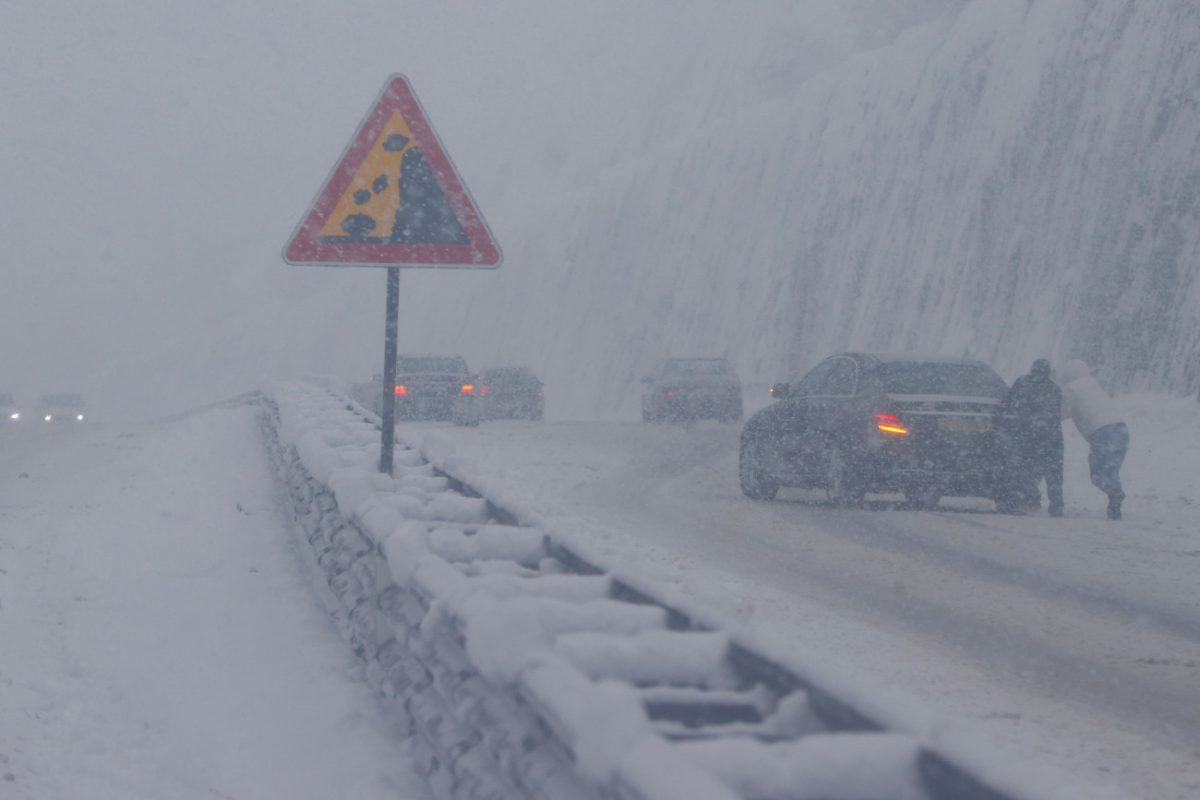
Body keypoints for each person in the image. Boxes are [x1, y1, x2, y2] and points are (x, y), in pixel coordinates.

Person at [1058, 359, 1128, 519]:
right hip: (1121, 429)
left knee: (1097, 476)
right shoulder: (1092, 384)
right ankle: (1114, 507)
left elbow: (1062, 412)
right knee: (1111, 471)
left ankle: (1115, 494)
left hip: (1103, 432)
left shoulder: (1071, 389)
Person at [1001, 359, 1064, 516]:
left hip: (1027, 436)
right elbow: (1056, 415)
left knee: (1023, 469)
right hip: (1051, 437)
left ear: (1032, 369)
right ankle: (1056, 505)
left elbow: (1007, 403)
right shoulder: (1055, 389)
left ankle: (1031, 500)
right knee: (1053, 473)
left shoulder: (1022, 383)